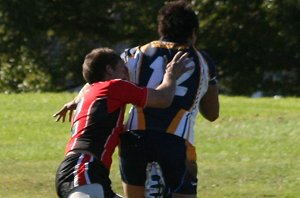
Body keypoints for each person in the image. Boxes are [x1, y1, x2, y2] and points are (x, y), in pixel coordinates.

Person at [53, 47, 192, 198]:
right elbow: (162, 99)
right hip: (84, 168)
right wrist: (171, 74)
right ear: (109, 70)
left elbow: (88, 85)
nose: (127, 73)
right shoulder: (114, 86)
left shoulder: (91, 91)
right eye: (123, 68)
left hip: (90, 171)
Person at [119, 1, 219, 197]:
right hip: (177, 141)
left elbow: (108, 87)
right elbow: (212, 114)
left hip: (135, 137)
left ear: (161, 28)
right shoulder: (203, 61)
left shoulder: (134, 54)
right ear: (193, 33)